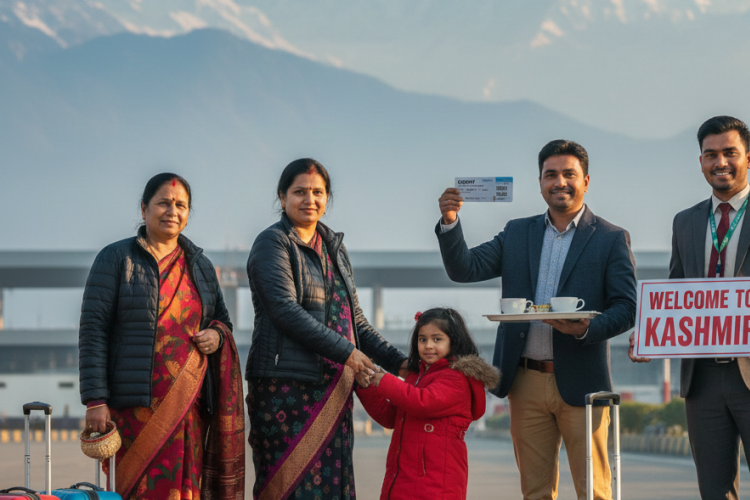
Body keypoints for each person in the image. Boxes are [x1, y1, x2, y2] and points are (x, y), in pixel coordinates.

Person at [629, 116, 750, 499]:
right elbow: (676, 290)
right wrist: (650, 331)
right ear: (700, 162)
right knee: (714, 492)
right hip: (701, 380)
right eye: (710, 154)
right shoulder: (684, 222)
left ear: (749, 157)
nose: (720, 162)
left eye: (729, 153)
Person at [436, 140, 637, 500]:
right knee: (535, 492)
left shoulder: (610, 238)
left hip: (583, 382)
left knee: (594, 491)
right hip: (525, 382)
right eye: (551, 175)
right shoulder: (517, 233)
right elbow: (465, 268)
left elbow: (627, 308)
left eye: (569, 174)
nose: (560, 182)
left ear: (586, 181)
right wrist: (450, 223)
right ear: (540, 182)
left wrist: (588, 328)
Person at [245, 158, 410, 500]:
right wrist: (348, 353)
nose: (309, 200)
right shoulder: (272, 244)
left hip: (333, 389)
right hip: (285, 388)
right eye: (299, 192)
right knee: (286, 486)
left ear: (328, 197)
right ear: (282, 196)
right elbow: (285, 311)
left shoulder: (334, 247)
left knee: (332, 484)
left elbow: (355, 321)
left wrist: (401, 363)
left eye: (318, 192)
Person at [79, 173, 245, 499]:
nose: (172, 211)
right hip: (133, 410)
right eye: (163, 203)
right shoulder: (116, 259)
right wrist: (96, 400)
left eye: (181, 205)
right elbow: (93, 330)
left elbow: (221, 321)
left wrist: (217, 335)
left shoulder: (200, 266)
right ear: (144, 209)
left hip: (189, 409)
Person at [356, 308, 500, 500]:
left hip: (436, 486)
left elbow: (423, 402)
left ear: (453, 342)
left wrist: (384, 380)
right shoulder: (416, 376)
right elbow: (391, 417)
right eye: (422, 339)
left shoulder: (457, 379)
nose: (428, 345)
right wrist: (366, 386)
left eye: (437, 339)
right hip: (401, 480)